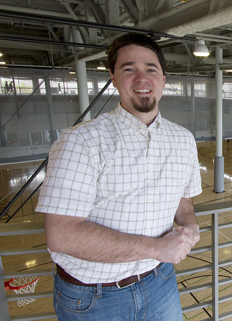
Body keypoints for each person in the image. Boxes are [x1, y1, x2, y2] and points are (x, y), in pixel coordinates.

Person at [35, 33, 202, 321]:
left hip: (160, 283)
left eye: (151, 69)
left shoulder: (184, 140)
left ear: (163, 78)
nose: (142, 78)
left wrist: (190, 225)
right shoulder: (81, 141)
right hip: (94, 298)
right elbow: (61, 235)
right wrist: (156, 247)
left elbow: (182, 198)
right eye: (129, 69)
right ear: (113, 78)